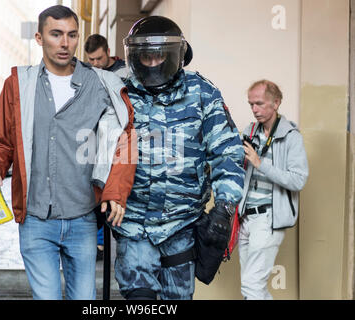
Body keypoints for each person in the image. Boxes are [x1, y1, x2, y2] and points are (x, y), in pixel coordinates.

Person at [0, 5, 136, 300]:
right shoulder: (18, 85)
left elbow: (125, 138)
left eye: (72, 35)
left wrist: (114, 192)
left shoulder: (101, 84)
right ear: (39, 37)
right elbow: (0, 140)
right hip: (36, 219)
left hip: (82, 218)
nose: (65, 43)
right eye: (56, 34)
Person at [110, 16, 245, 300]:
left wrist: (225, 205)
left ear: (175, 56)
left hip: (182, 224)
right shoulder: (119, 91)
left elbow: (227, 151)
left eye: (159, 55)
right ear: (134, 57)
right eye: (145, 56)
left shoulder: (202, 93)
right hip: (134, 224)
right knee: (140, 301)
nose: (152, 63)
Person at [238, 80, 309, 300]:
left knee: (251, 285)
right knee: (253, 286)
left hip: (269, 219)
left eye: (259, 103)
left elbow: (298, 181)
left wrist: (261, 164)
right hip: (245, 219)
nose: (254, 109)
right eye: (251, 104)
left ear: (276, 103)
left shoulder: (291, 138)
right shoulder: (249, 131)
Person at [84, 33, 126, 261]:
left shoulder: (125, 73)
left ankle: (106, 241)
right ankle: (99, 243)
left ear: (108, 51)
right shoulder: (88, 75)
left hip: (119, 143)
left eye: (99, 58)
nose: (96, 64)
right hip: (95, 143)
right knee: (96, 192)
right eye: (91, 60)